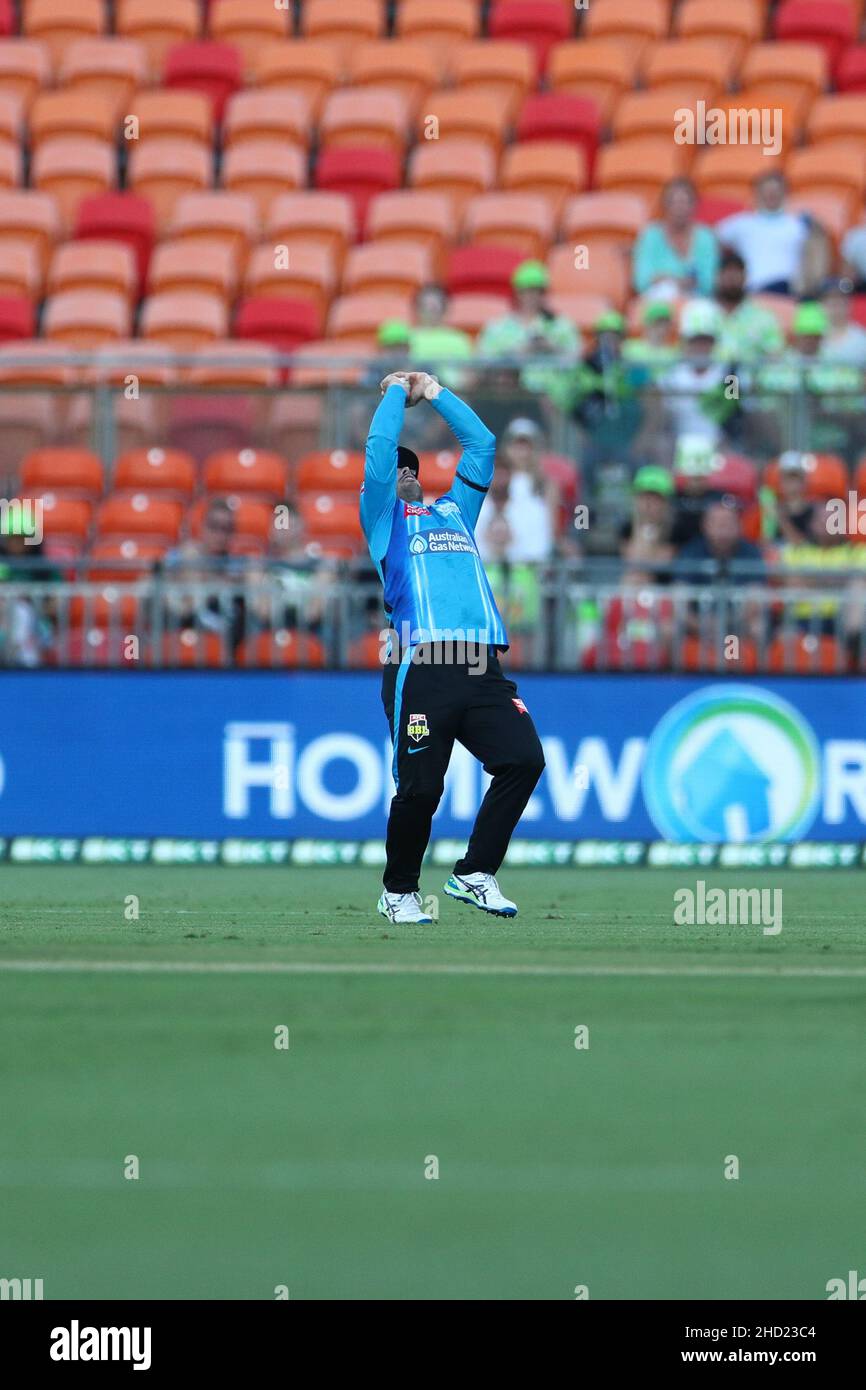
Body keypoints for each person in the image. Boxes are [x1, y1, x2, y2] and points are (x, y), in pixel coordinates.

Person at [360, 369, 545, 925]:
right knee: (421, 790)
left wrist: (435, 391)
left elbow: (482, 444)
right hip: (423, 664)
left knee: (523, 760)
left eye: (411, 468)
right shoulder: (384, 522)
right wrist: (397, 391)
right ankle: (398, 892)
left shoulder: (455, 513)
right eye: (395, 470)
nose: (404, 473)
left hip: (482, 665)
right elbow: (378, 451)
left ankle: (475, 873)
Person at [477, 258, 580, 396]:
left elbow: (578, 364)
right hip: (509, 395)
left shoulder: (561, 326)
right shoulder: (497, 327)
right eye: (526, 292)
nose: (531, 297)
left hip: (553, 396)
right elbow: (483, 364)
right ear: (517, 293)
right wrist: (517, 354)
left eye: (537, 292)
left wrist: (552, 348)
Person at [717, 171, 828, 295]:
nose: (771, 194)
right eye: (766, 190)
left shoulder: (799, 225)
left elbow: (817, 257)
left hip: (788, 291)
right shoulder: (740, 223)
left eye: (776, 190)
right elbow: (712, 243)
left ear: (785, 193)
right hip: (751, 291)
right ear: (757, 193)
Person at [632, 177, 719, 299]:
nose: (679, 208)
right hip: (657, 301)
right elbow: (641, 282)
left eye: (685, 202)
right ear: (664, 206)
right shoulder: (650, 235)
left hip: (696, 301)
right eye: (674, 203)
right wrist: (677, 281)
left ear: (694, 205)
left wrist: (664, 277)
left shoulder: (706, 237)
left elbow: (709, 284)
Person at [714, 250, 785, 363]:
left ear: (746, 277)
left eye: (737, 272)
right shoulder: (702, 313)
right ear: (717, 276)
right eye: (727, 272)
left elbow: (774, 356)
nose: (732, 278)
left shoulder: (763, 317)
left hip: (751, 374)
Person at [409, 284, 473, 389]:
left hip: (451, 392)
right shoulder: (408, 338)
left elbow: (469, 374)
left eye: (434, 306)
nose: (430, 310)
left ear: (444, 308)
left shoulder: (459, 339)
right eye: (426, 306)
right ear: (417, 308)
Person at [819, 276, 866, 367]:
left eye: (841, 300)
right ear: (822, 304)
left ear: (849, 303)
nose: (836, 306)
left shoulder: (861, 338)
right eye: (830, 301)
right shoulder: (813, 335)